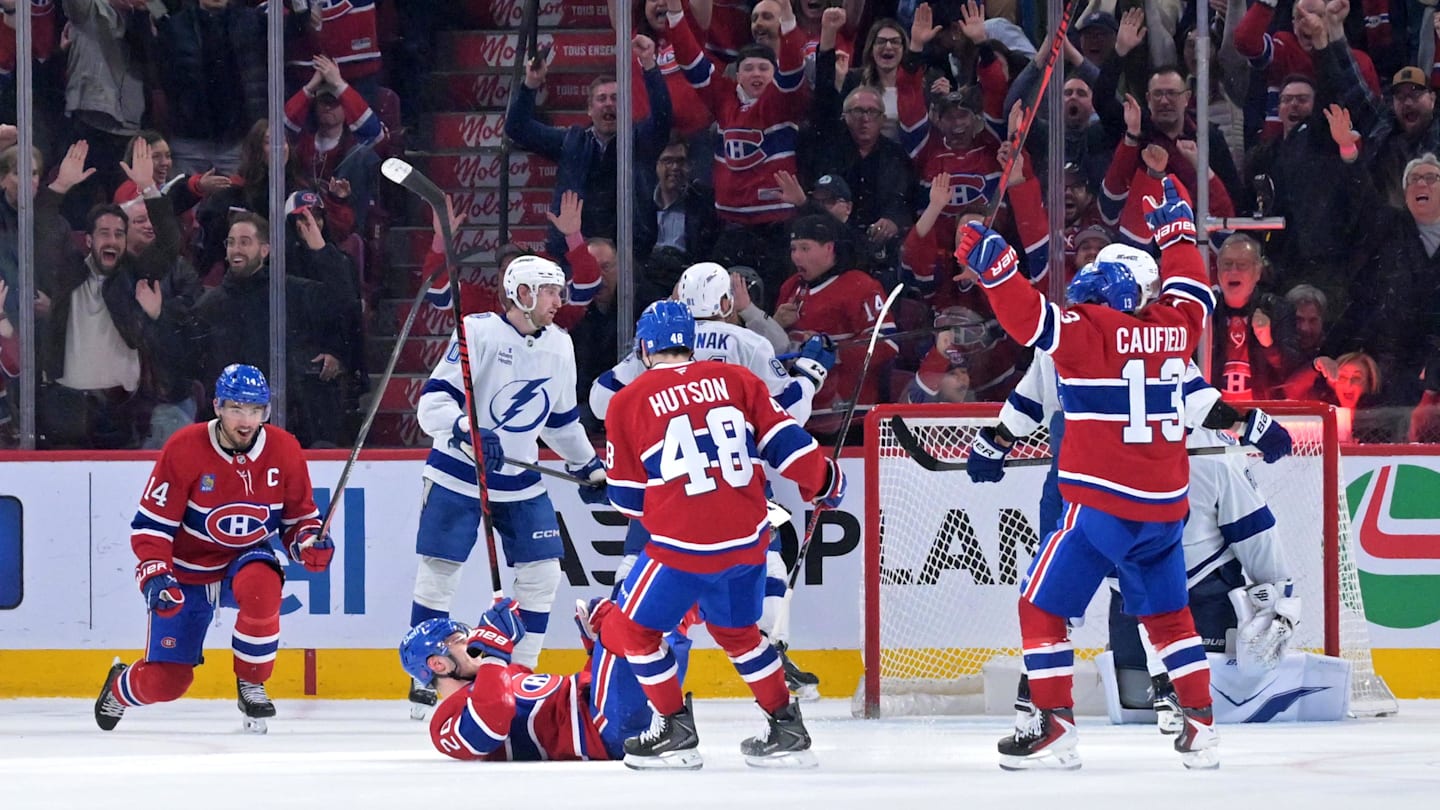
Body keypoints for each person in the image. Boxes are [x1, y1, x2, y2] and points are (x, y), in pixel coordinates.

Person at [957, 175, 1222, 770]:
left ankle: (1052, 723)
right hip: (1164, 509)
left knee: (1040, 607)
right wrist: (1178, 234)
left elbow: (1029, 320)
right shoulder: (1174, 329)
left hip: (1102, 506)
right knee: (1168, 617)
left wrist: (994, 267)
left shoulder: (1082, 333)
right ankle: (1201, 725)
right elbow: (1193, 291)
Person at [602, 300, 846, 769]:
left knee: (630, 631)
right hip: (749, 538)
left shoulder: (628, 399)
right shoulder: (737, 380)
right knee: (738, 634)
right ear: (688, 343)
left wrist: (620, 484)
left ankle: (673, 727)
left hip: (682, 547)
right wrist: (827, 481)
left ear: (645, 347)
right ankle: (785, 725)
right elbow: (787, 443)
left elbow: (630, 504)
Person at [407, 255, 607, 717]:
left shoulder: (560, 345)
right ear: (522, 294)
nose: (560, 299)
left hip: (520, 479)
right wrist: (467, 429)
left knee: (543, 575)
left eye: (559, 290)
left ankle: (521, 671)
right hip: (459, 472)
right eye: (550, 290)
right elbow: (432, 405)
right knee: (440, 573)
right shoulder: (477, 332)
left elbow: (559, 422)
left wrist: (589, 466)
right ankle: (426, 677)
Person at [93, 364, 335, 734]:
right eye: (237, 408)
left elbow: (298, 520)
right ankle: (120, 687)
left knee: (263, 584)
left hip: (245, 556)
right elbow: (152, 526)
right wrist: (156, 571)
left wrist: (307, 543)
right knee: (168, 683)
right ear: (218, 407)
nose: (247, 420)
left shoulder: (284, 449)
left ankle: (251, 682)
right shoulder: (185, 447)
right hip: (187, 570)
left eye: (256, 410)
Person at [400, 595, 694, 761]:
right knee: (640, 620)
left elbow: (574, 694)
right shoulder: (445, 722)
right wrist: (495, 654)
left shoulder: (504, 673)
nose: (472, 639)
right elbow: (488, 728)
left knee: (660, 608)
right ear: (438, 664)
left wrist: (595, 650)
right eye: (457, 639)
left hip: (605, 712)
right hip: (605, 734)